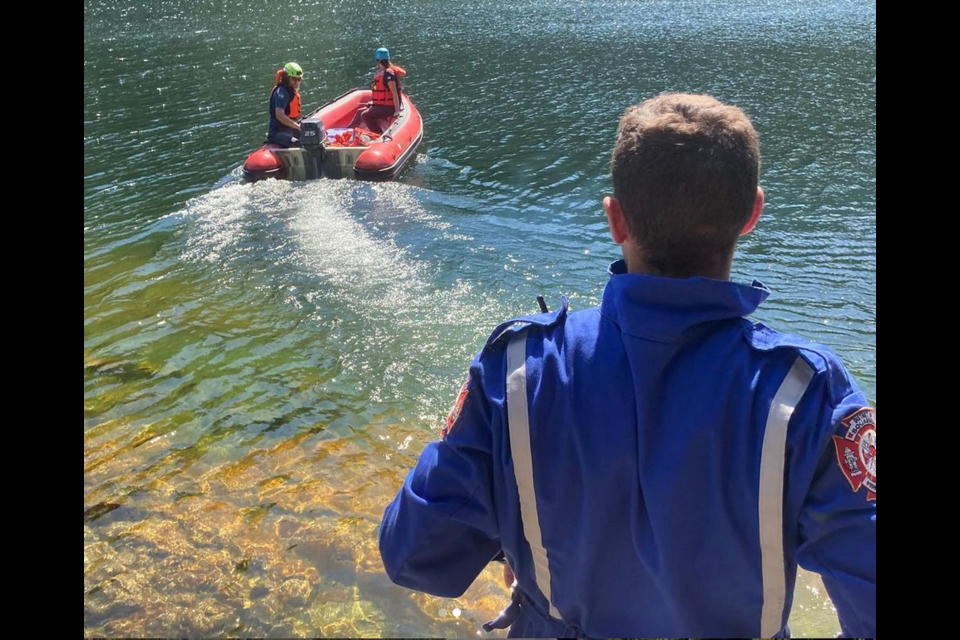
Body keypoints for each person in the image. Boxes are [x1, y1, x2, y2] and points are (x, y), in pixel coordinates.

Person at [378, 93, 876, 638]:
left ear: (615, 218)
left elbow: (413, 555)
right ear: (752, 214)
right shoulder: (806, 392)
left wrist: (510, 510)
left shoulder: (518, 369)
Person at [351, 47, 406, 133]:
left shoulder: (388, 74)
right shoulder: (383, 73)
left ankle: (378, 134)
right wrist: (373, 102)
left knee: (365, 115)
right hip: (382, 106)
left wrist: (397, 111)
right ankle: (348, 129)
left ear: (379, 61)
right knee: (359, 111)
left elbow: (394, 93)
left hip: (389, 107)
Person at [267, 62, 304, 147]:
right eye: (294, 79)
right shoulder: (281, 93)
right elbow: (280, 115)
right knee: (297, 144)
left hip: (289, 130)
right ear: (287, 78)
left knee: (310, 135)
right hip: (277, 133)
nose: (297, 82)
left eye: (299, 79)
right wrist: (298, 126)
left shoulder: (290, 91)